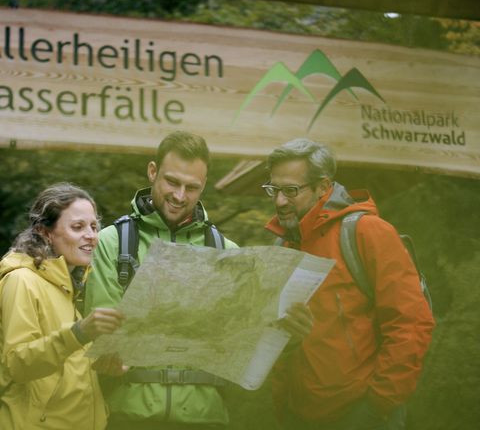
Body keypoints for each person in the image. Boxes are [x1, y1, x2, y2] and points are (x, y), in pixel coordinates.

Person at [262, 138, 435, 430]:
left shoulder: (367, 232)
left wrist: (377, 406)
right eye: (273, 189)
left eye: (291, 190)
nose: (279, 201)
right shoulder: (284, 247)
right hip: (299, 415)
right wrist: (283, 406)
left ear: (322, 186)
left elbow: (411, 324)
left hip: (362, 415)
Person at [84, 131, 239, 430]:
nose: (180, 196)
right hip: (129, 416)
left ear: (203, 185)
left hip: (205, 417)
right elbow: (104, 335)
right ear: (152, 171)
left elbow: (238, 344)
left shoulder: (227, 252)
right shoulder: (112, 242)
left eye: (192, 187)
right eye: (172, 181)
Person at [0, 182, 124, 430]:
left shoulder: (69, 286)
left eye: (93, 226)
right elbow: (16, 364)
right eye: (78, 227)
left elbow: (62, 367)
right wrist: (79, 333)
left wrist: (101, 366)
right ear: (45, 233)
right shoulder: (21, 280)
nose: (91, 235)